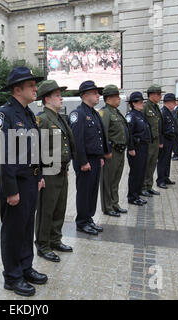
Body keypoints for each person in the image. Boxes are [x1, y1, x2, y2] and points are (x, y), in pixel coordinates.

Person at [0, 66, 47, 297]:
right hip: (14, 183)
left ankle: (26, 267)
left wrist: (40, 175)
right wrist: (10, 189)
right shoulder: (4, 115)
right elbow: (0, 155)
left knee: (26, 229)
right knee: (13, 231)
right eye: (31, 86)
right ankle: (12, 276)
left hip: (30, 180)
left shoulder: (28, 114)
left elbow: (35, 148)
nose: (36, 89)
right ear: (18, 89)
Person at [35, 80, 76, 263]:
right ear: (47, 99)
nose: (61, 98)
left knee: (60, 208)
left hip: (61, 170)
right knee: (46, 210)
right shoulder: (42, 119)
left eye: (61, 95)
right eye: (58, 95)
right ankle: (43, 245)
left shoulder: (59, 118)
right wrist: (40, 175)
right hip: (48, 172)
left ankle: (55, 239)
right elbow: (36, 149)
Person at [69, 80, 111, 236]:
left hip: (94, 159)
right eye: (94, 93)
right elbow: (77, 141)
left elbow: (99, 136)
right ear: (85, 95)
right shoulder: (78, 114)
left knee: (92, 191)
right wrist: (83, 161)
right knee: (84, 192)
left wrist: (100, 156)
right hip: (85, 161)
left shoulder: (93, 113)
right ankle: (81, 222)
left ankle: (89, 218)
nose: (98, 95)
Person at [99, 84, 129, 218]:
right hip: (112, 151)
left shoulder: (116, 112)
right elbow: (103, 133)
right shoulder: (105, 113)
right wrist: (106, 151)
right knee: (108, 180)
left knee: (116, 179)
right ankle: (108, 206)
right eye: (117, 97)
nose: (119, 99)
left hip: (120, 151)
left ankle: (114, 203)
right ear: (109, 98)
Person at [125, 92, 152, 206]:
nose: (141, 104)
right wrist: (131, 148)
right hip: (136, 148)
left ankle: (137, 193)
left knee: (141, 172)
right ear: (133, 103)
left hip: (143, 147)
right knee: (135, 173)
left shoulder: (140, 115)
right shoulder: (131, 116)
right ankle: (132, 196)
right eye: (139, 102)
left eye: (142, 101)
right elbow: (128, 133)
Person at [141, 84, 164, 198]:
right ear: (151, 95)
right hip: (148, 141)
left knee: (152, 164)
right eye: (158, 94)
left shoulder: (156, 107)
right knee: (146, 164)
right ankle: (143, 186)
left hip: (155, 140)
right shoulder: (145, 107)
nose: (160, 96)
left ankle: (149, 185)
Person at [156, 93, 178, 189]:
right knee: (162, 160)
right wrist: (160, 142)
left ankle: (166, 177)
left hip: (170, 140)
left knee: (167, 160)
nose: (175, 105)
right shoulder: (163, 113)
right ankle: (160, 180)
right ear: (168, 103)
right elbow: (159, 129)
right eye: (173, 103)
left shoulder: (169, 112)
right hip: (164, 140)